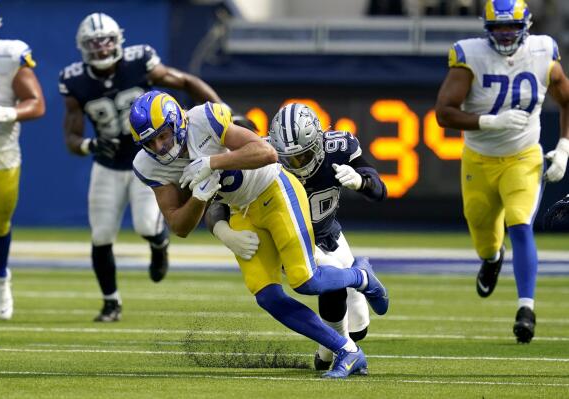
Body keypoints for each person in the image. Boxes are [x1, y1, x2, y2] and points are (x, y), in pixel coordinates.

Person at [129, 91, 388, 378]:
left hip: (273, 189)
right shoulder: (147, 164)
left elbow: (267, 153)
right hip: (242, 210)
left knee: (306, 281)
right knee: (267, 296)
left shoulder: (204, 120)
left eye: (163, 135)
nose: (160, 146)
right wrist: (199, 199)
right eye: (150, 142)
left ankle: (362, 277)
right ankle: (348, 350)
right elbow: (179, 225)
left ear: (177, 122)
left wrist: (212, 162)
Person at [59, 13, 224, 322]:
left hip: (148, 162)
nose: (101, 50)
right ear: (83, 47)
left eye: (105, 42)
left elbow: (187, 82)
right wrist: (89, 145)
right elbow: (71, 135)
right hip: (107, 164)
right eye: (93, 44)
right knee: (102, 234)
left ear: (118, 40)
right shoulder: (74, 80)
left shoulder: (139, 62)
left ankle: (159, 243)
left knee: (147, 226)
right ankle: (111, 302)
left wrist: (221, 112)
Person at [209, 103, 388, 371]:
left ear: (318, 142)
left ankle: (331, 350)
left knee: (359, 326)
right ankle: (342, 350)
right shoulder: (263, 154)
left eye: (303, 157)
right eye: (289, 159)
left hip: (329, 236)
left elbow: (380, 190)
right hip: (288, 237)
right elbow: (219, 198)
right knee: (326, 283)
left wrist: (361, 181)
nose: (297, 164)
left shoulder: (338, 148)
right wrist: (222, 229)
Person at [435, 0, 569, 343]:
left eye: (512, 27)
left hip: (523, 156)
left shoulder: (543, 51)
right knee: (483, 234)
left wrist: (565, 146)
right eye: (499, 28)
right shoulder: (470, 56)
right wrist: (488, 121)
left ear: (526, 25)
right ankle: (493, 258)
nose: (506, 34)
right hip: (479, 158)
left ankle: (526, 308)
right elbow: (443, 113)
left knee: (520, 222)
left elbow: (567, 98)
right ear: (487, 28)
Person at [0, 0, 45, 322]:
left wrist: (8, 112)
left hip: (3, 157)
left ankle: (0, 276)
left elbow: (37, 104)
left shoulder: (8, 55)